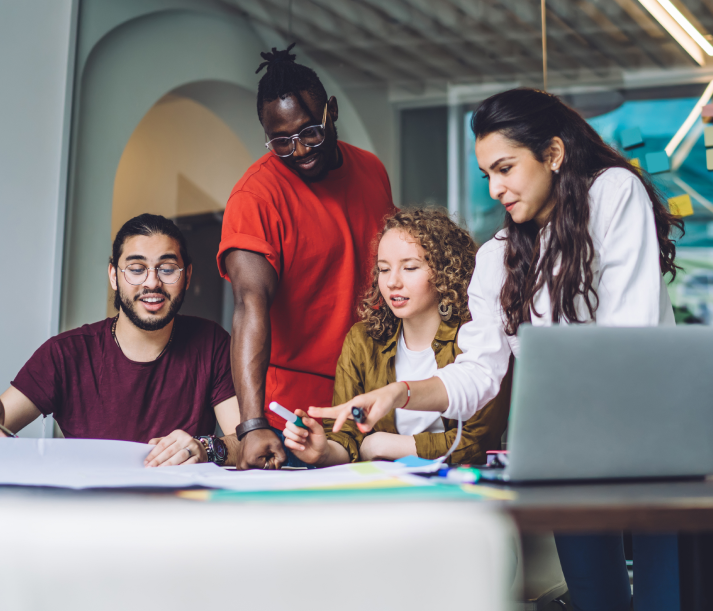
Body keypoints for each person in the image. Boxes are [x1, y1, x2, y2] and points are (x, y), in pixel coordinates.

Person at [312, 89, 683, 611]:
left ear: (553, 154)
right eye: (487, 174)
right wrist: (400, 392)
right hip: (569, 452)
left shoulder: (613, 193)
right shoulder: (498, 258)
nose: (496, 188)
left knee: (663, 598)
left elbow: (631, 332)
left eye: (505, 168)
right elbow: (479, 374)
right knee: (595, 597)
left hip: (651, 441)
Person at [218, 44, 394, 470]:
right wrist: (252, 424)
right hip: (293, 418)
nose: (299, 150)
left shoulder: (371, 169)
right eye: (281, 142)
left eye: (310, 132)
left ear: (330, 111)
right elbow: (248, 306)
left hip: (370, 400)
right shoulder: (256, 197)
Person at [0, 214, 239, 468]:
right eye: (136, 269)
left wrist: (206, 448)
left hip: (180, 504)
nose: (152, 282)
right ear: (113, 275)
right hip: (89, 504)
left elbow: (246, 443)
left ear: (187, 276)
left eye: (166, 269)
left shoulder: (212, 344)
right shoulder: (64, 354)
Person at [282, 208, 512, 466]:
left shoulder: (479, 337)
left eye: (410, 267)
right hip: (384, 493)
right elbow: (347, 437)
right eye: (383, 269)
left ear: (446, 270)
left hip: (457, 491)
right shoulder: (362, 340)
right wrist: (324, 451)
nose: (392, 282)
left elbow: (477, 444)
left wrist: (384, 445)